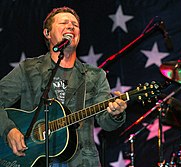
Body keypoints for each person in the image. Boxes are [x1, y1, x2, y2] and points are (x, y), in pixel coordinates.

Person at [0, 6, 127, 167]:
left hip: (80, 160)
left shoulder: (95, 75)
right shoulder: (29, 69)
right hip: (31, 158)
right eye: (64, 23)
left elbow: (106, 124)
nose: (70, 26)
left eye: (75, 24)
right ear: (47, 33)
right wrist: (9, 131)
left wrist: (115, 114)